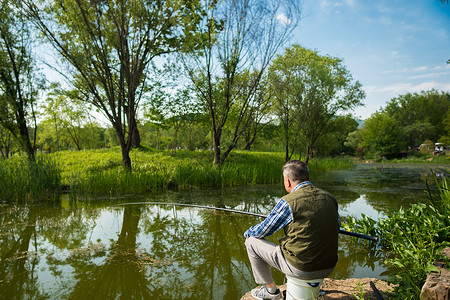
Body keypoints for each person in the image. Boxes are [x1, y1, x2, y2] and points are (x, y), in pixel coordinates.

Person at [244, 160, 340, 300]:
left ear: (287, 182)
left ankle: (271, 292)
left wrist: (247, 233)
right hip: (329, 266)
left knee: (251, 242)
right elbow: (336, 226)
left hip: (301, 268)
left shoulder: (288, 201)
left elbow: (263, 230)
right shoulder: (329, 198)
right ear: (308, 178)